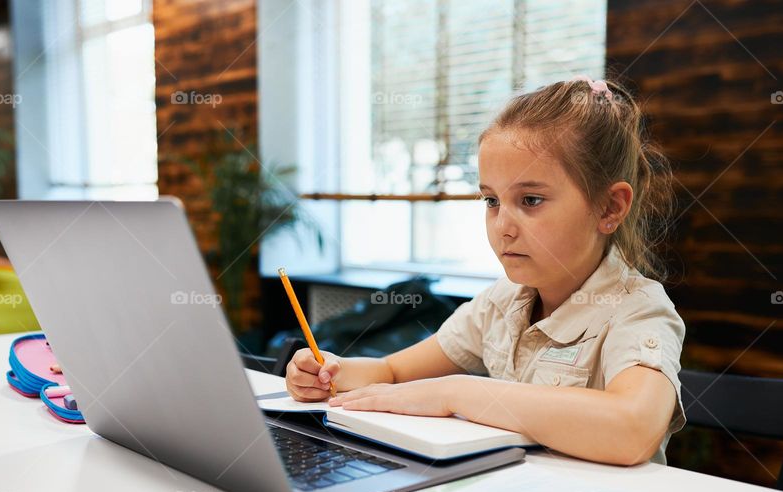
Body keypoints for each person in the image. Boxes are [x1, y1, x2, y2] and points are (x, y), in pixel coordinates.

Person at [285, 75, 685, 466]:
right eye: (492, 201)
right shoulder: (501, 303)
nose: (502, 227)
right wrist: (329, 371)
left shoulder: (636, 309)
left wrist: (458, 393)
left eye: (530, 200)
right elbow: (393, 371)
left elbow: (631, 428)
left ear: (610, 208)